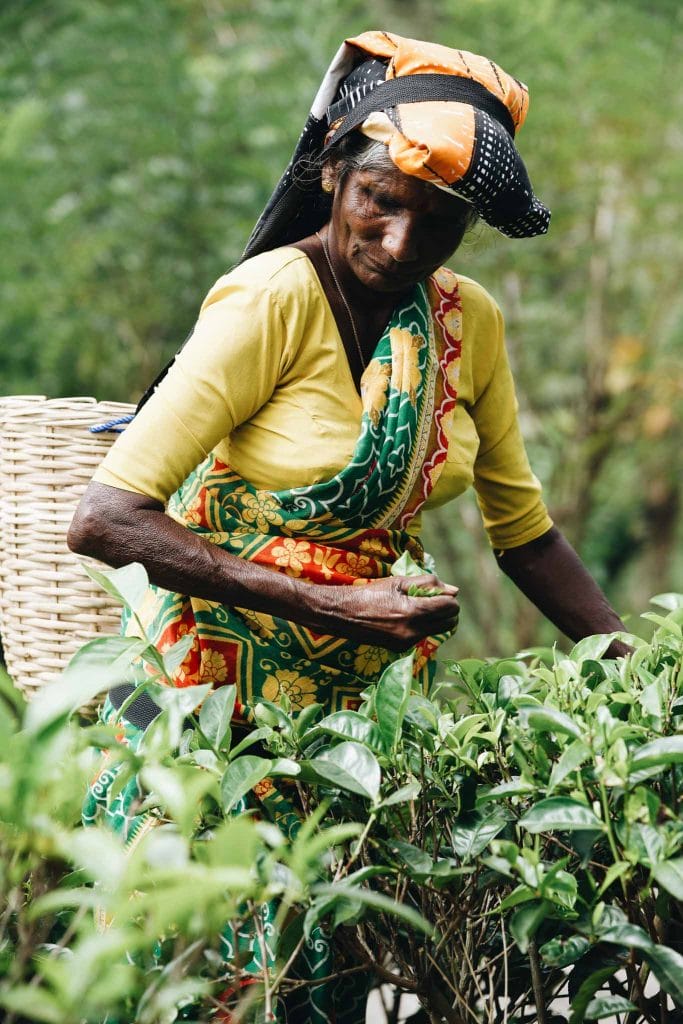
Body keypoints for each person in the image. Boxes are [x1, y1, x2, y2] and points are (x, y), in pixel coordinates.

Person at [68, 30, 629, 1022]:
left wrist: (634, 674)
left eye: (439, 221)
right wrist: (328, 600)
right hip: (203, 690)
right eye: (380, 199)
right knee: (208, 964)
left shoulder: (467, 325)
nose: (402, 242)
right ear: (333, 173)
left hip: (346, 715)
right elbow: (107, 519)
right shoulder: (268, 301)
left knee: (332, 967)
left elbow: (525, 534)